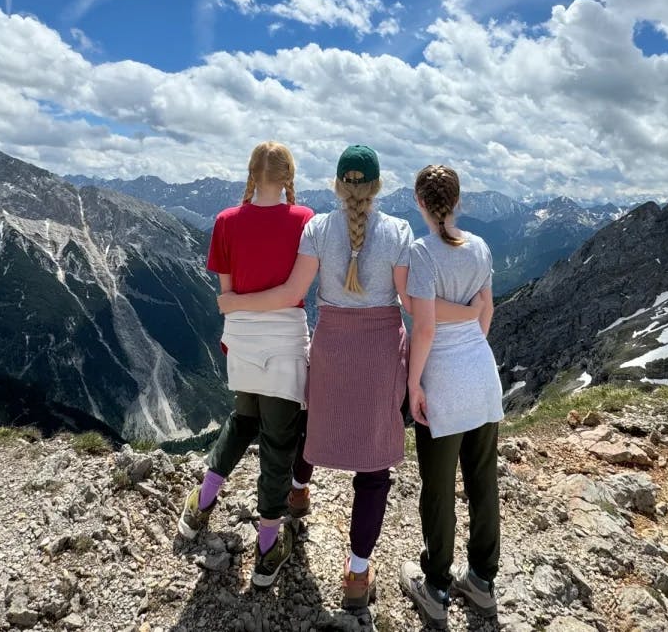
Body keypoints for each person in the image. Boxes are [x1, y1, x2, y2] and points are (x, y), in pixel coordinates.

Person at [218, 146, 482, 610]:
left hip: (332, 347)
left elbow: (293, 293)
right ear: (378, 187)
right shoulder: (398, 230)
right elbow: (409, 301)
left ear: (339, 186)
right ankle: (357, 576)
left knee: (309, 425)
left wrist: (236, 305)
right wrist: (468, 311)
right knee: (373, 469)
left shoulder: (317, 227)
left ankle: (298, 498)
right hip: (380, 352)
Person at [177, 141, 314, 590]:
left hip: (240, 340)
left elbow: (228, 294)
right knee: (279, 442)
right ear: (289, 176)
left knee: (242, 418)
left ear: (251, 174)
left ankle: (201, 503)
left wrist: (236, 308)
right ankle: (268, 547)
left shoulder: (224, 221)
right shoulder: (305, 220)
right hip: (284, 342)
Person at [398, 164, 504, 628]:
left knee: (438, 490)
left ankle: (436, 585)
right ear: (458, 202)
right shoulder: (479, 247)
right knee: (482, 481)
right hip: (482, 375)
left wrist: (413, 383)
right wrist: (471, 343)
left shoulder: (422, 254)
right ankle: (481, 580)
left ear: (420, 202)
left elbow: (423, 328)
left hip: (442, 379)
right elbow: (487, 312)